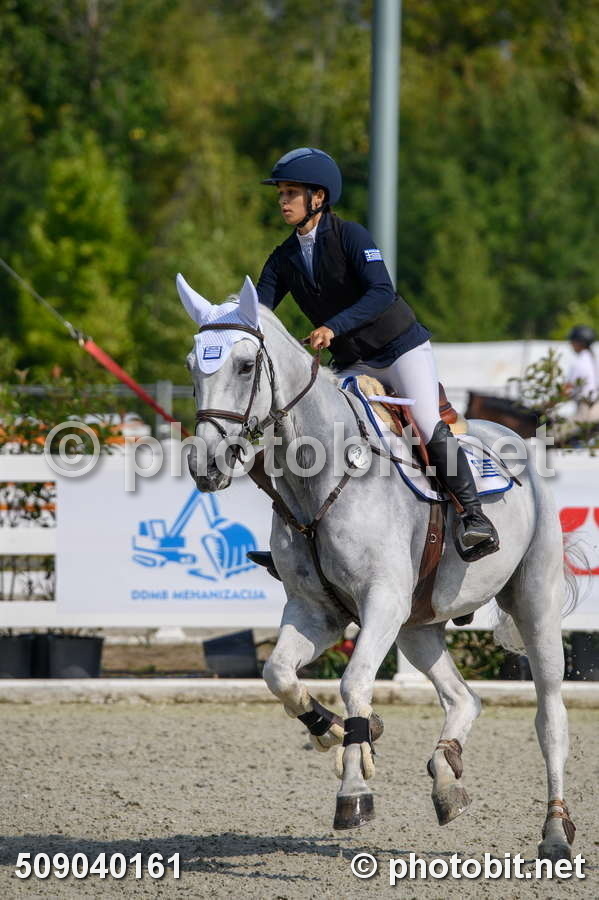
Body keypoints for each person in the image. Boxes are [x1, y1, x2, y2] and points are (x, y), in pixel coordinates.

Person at [248, 147, 498, 574]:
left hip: (400, 349)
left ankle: (474, 517)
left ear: (318, 197)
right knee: (323, 433)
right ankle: (300, 537)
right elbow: (258, 311)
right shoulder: (283, 257)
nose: (283, 201)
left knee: (425, 423)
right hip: (354, 363)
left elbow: (381, 292)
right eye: (281, 194)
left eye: (291, 193)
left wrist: (332, 326)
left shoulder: (352, 236)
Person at [564, 325, 599, 425]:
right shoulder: (593, 359)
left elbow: (567, 389)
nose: (571, 344)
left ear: (579, 342)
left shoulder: (580, 363)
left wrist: (548, 404)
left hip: (587, 411)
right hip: (596, 407)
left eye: (572, 341)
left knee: (547, 431)